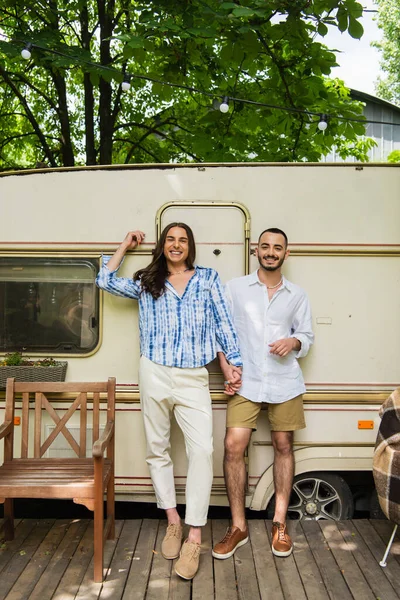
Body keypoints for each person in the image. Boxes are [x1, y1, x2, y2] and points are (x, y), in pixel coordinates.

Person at [96, 223, 242, 579]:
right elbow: (105, 280)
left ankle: (194, 535)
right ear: (162, 246)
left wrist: (231, 363)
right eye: (170, 240)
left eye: (183, 240)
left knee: (202, 451)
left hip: (194, 374)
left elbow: (223, 322)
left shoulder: (207, 278)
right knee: (157, 447)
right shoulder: (148, 280)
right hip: (154, 371)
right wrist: (125, 245)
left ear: (190, 247)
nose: (176, 245)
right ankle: (172, 520)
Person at [212, 228, 314, 560]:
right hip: (246, 381)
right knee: (232, 446)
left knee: (284, 446)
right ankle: (238, 526)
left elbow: (307, 336)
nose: (271, 252)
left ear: (286, 253)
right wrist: (227, 368)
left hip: (285, 381)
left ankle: (280, 523)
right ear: (256, 250)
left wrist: (294, 342)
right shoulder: (236, 288)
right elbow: (220, 332)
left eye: (278, 247)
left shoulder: (297, 294)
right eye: (266, 246)